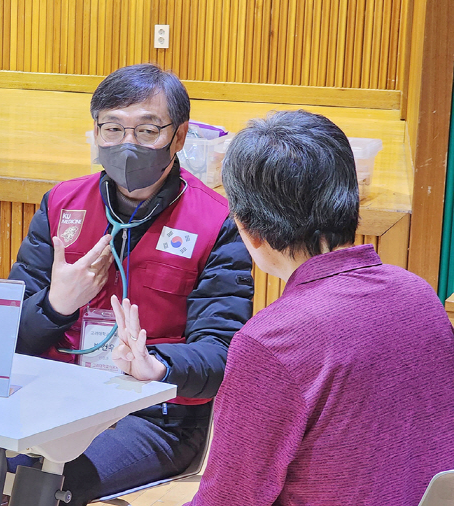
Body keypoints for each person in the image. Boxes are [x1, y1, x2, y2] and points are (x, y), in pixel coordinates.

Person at [149, 109, 454, 506]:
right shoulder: (418, 294)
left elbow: (229, 499)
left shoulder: (272, 341)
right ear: (351, 198)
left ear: (249, 229)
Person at [8, 63, 253, 504]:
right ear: (96, 132)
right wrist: (56, 305)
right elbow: (8, 335)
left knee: (38, 483)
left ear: (178, 137)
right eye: (113, 128)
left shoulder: (216, 222)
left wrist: (157, 365)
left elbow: (221, 355)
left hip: (155, 417)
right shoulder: (61, 203)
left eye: (147, 130)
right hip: (58, 396)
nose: (127, 144)